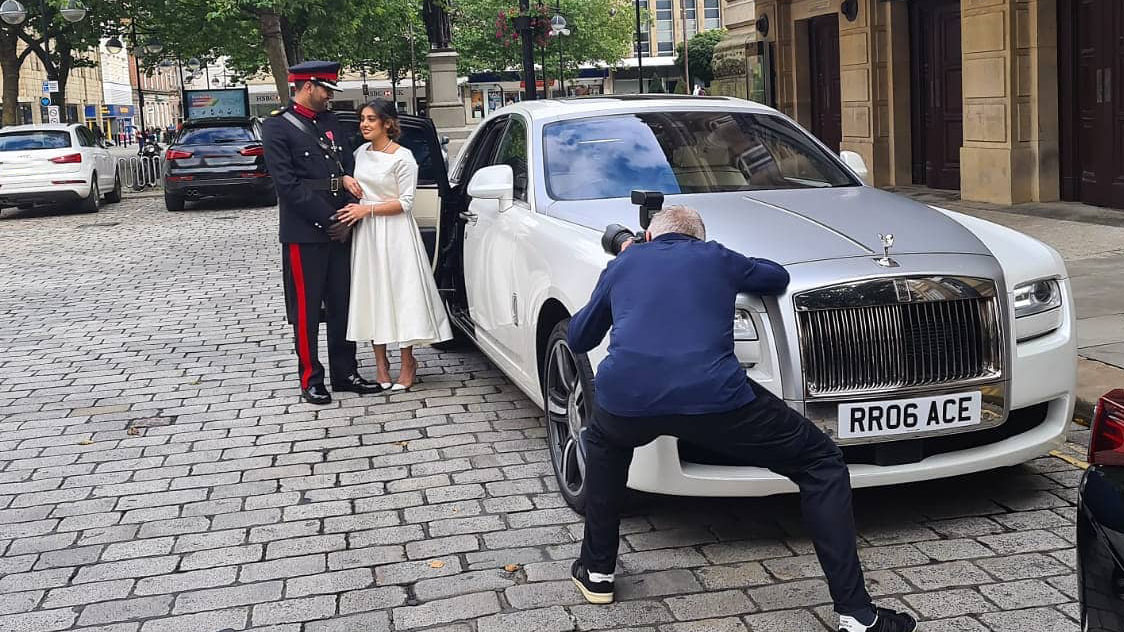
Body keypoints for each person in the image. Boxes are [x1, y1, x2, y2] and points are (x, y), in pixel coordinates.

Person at [566, 206, 917, 632]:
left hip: (627, 401)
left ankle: (597, 572)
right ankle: (857, 615)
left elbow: (581, 335)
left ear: (648, 236)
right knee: (821, 463)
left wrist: (625, 263)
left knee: (604, 441)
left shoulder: (625, 263)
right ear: (698, 236)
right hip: (717, 401)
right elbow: (776, 276)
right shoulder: (716, 256)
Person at [261, 61, 383, 405]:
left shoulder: (330, 121)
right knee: (307, 310)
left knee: (343, 304)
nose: (330, 95)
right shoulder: (276, 127)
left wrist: (347, 212)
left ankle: (345, 372)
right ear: (306, 86)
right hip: (306, 232)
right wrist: (331, 220)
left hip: (342, 226)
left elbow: (347, 168)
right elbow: (287, 185)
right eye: (325, 88)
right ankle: (310, 377)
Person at [336, 99, 452, 391]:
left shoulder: (404, 158)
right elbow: (353, 183)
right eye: (362, 118)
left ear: (387, 123)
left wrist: (367, 210)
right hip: (367, 235)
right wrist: (347, 180)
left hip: (396, 233)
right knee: (372, 295)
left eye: (371, 119)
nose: (364, 124)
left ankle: (407, 360)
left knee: (401, 295)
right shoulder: (359, 153)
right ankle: (380, 364)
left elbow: (406, 202)